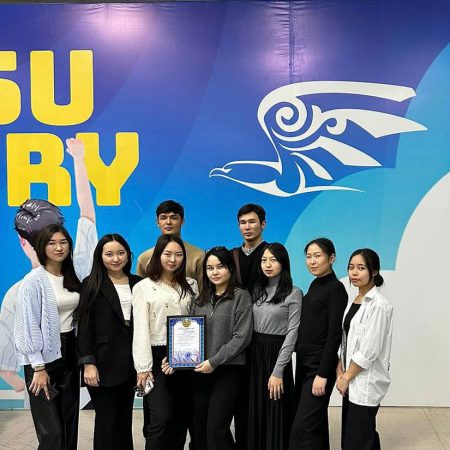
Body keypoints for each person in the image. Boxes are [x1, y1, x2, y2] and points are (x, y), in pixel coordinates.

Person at [0, 137, 97, 397]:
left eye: (59, 239)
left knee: (69, 417)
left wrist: (79, 160)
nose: (55, 247)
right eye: (46, 241)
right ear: (24, 242)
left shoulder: (77, 267)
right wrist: (34, 372)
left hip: (75, 357)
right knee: (50, 420)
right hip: (41, 366)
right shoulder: (23, 288)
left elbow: (87, 213)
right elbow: (6, 365)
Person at [14, 224, 82, 450]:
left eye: (63, 242)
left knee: (69, 422)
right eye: (52, 243)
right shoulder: (33, 280)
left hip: (69, 353)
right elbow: (27, 325)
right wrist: (38, 367)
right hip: (42, 360)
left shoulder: (72, 276)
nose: (59, 248)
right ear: (42, 247)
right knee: (52, 431)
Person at [132, 234, 198, 450]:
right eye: (167, 254)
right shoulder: (143, 287)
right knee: (161, 417)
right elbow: (140, 328)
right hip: (156, 356)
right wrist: (143, 368)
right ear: (158, 255)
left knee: (181, 416)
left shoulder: (191, 285)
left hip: (186, 357)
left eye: (178, 255)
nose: (173, 259)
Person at [77, 234, 142, 450]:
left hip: (130, 363)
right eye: (109, 254)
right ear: (100, 256)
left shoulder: (138, 283)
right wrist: (88, 363)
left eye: (120, 253)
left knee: (124, 420)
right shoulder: (91, 283)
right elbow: (84, 327)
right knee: (107, 422)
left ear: (128, 255)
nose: (116, 258)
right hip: (102, 363)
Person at [189, 246, 253, 450]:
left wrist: (214, 361)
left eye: (220, 267)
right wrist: (176, 356)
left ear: (230, 269)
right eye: (210, 268)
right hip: (200, 371)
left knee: (216, 428)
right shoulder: (200, 299)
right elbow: (189, 334)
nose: (214, 272)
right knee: (199, 427)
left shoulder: (241, 296)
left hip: (228, 371)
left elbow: (242, 337)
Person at [289, 238, 348, 450]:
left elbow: (334, 334)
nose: (312, 261)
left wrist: (323, 374)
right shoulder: (315, 284)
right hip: (304, 364)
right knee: (316, 424)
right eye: (308, 256)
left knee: (302, 428)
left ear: (331, 258)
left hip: (319, 366)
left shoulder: (336, 289)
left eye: (317, 256)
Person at [336, 249, 393, 450]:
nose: (354, 272)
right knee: (362, 435)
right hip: (351, 380)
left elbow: (369, 350)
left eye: (361, 268)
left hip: (365, 381)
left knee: (358, 440)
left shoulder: (378, 305)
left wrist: (346, 376)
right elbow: (346, 341)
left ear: (374, 271)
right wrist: (340, 371)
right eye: (351, 267)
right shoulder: (355, 300)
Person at [247, 243, 302, 450]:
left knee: (276, 408)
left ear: (283, 263)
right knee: (256, 408)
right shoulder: (257, 290)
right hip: (254, 354)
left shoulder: (294, 293)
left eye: (273, 260)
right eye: (264, 260)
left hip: (276, 355)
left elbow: (292, 333)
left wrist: (278, 370)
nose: (268, 265)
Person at [136, 200, 204, 288]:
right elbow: (140, 291)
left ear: (182, 221)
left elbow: (204, 293)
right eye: (163, 218)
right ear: (157, 222)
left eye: (174, 218)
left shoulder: (198, 256)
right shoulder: (144, 258)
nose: (168, 222)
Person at [232, 204, 267, 294]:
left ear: (263, 224)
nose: (247, 227)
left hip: (265, 302)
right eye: (243, 223)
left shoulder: (272, 253)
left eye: (252, 222)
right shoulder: (231, 255)